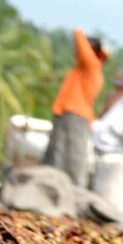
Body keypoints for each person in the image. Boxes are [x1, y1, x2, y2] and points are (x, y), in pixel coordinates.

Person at [42, 30, 109, 186]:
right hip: (68, 113)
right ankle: (49, 185)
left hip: (76, 115)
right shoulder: (85, 68)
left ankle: (72, 189)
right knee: (56, 152)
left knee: (71, 155)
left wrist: (89, 42)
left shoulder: (91, 65)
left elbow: (78, 35)